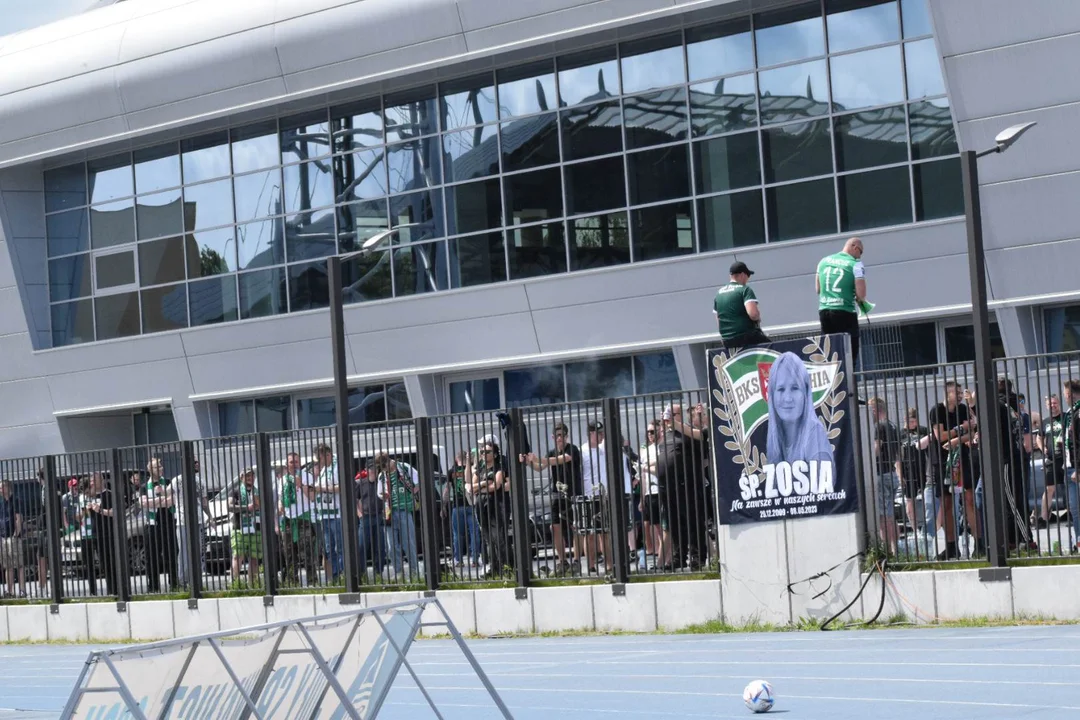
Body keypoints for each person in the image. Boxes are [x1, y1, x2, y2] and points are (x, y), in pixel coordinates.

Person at [521, 422, 582, 576]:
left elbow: (561, 460)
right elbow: (539, 467)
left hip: (572, 494)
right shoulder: (551, 452)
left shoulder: (572, 449)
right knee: (554, 527)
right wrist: (528, 461)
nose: (560, 438)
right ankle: (562, 562)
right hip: (556, 495)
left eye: (562, 435)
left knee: (574, 528)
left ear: (567, 436)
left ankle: (576, 561)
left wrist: (539, 459)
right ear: (553, 437)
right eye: (557, 436)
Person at [928, 382, 975, 560]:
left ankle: (977, 544)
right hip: (941, 461)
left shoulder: (963, 409)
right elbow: (940, 436)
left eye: (960, 391)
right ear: (947, 394)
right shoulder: (937, 410)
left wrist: (956, 438)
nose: (960, 394)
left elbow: (972, 433)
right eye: (956, 392)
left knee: (969, 499)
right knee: (946, 504)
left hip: (962, 458)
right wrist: (960, 429)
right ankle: (951, 547)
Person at [764, 352, 833, 465]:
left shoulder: (815, 433)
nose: (787, 398)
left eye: (795, 388)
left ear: (805, 393)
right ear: (772, 395)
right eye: (781, 389)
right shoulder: (774, 437)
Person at [815, 237, 866, 363]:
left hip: (824, 311)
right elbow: (861, 295)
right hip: (845, 311)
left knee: (829, 351)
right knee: (849, 352)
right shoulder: (856, 264)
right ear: (854, 247)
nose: (859, 257)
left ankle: (832, 379)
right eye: (860, 252)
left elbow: (818, 289)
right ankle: (848, 380)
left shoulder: (823, 261)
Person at [467, 442, 510, 578]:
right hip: (480, 504)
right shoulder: (480, 469)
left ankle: (505, 566)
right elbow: (470, 488)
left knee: (498, 536)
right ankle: (492, 566)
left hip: (496, 503)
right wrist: (485, 483)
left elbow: (496, 485)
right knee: (487, 537)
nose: (483, 454)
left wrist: (480, 487)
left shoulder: (499, 467)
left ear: (495, 454)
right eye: (482, 452)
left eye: (487, 452)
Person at [376, 453, 420, 579]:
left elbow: (418, 481)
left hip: (404, 509)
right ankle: (398, 572)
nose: (383, 470)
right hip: (389, 512)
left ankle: (414, 571)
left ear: (388, 462)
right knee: (391, 546)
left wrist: (412, 493)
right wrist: (382, 495)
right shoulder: (382, 476)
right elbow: (379, 493)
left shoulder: (404, 467)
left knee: (408, 542)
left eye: (383, 466)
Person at [305, 444, 343, 584]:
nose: (319, 462)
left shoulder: (337, 466)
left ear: (327, 454)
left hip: (336, 514)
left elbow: (341, 486)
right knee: (328, 548)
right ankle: (334, 576)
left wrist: (321, 488)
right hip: (324, 515)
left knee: (339, 547)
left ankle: (342, 574)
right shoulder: (323, 470)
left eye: (320, 458)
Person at [279, 452, 318, 586]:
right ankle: (292, 582)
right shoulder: (283, 480)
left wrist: (301, 485)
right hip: (288, 519)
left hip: (303, 517)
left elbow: (312, 497)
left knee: (307, 552)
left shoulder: (308, 477)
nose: (294, 464)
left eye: (296, 461)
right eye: (291, 462)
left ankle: (312, 580)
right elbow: (280, 497)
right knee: (289, 553)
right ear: (287, 464)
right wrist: (280, 505)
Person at [141, 458, 178, 593]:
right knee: (152, 556)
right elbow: (144, 503)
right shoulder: (145, 487)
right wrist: (162, 500)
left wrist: (156, 500)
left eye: (161, 466)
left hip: (168, 523)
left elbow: (172, 501)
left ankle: (174, 584)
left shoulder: (168, 483)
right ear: (150, 470)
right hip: (152, 525)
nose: (161, 468)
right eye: (157, 467)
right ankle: (153, 587)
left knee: (172, 554)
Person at [714, 261, 768, 351]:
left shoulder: (718, 294)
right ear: (742, 274)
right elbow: (753, 314)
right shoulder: (744, 290)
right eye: (748, 276)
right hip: (746, 337)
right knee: (773, 349)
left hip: (727, 341)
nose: (748, 279)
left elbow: (719, 321)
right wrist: (758, 317)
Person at [869, 398, 900, 553]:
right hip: (892, 473)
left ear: (875, 410)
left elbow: (876, 449)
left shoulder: (878, 426)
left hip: (882, 474)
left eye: (870, 410)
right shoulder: (893, 425)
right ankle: (896, 550)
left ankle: (887, 553)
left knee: (883, 517)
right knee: (890, 514)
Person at [443, 452, 480, 570]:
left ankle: (458, 560)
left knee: (457, 534)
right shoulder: (472, 469)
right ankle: (475, 559)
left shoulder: (451, 472)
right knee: (474, 532)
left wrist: (443, 505)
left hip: (457, 506)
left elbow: (447, 490)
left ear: (456, 458)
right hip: (471, 505)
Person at [1035, 394, 1066, 528]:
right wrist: (1044, 448)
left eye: (1055, 403)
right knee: (1049, 489)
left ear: (1059, 403)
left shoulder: (1067, 418)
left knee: (1069, 487)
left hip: (1067, 458)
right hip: (1051, 459)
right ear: (1047, 406)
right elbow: (1038, 437)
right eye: (1050, 404)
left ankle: (1071, 514)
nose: (1052, 406)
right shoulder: (1045, 422)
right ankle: (1043, 518)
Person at [228, 468, 262, 585]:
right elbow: (230, 507)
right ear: (241, 478)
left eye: (252, 476)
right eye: (247, 476)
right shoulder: (235, 492)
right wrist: (246, 507)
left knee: (254, 559)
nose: (250, 478)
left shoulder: (257, 492)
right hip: (239, 528)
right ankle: (235, 584)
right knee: (238, 557)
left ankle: (253, 585)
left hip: (256, 528)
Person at [355, 465, 387, 579]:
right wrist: (359, 513)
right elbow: (356, 500)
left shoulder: (381, 483)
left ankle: (378, 573)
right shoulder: (360, 483)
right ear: (366, 470)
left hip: (378, 517)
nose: (373, 471)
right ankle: (362, 574)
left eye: (375, 469)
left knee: (380, 547)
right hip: (365, 518)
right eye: (371, 469)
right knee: (362, 547)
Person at [0, 479, 26, 599]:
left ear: (7, 487)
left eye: (1, 487)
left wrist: (16, 534)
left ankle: (22, 590)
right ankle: (9, 591)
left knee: (19, 564)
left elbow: (19, 518)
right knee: (7, 566)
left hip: (13, 536)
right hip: (3, 537)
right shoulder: (1, 502)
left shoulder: (15, 500)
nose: (0, 490)